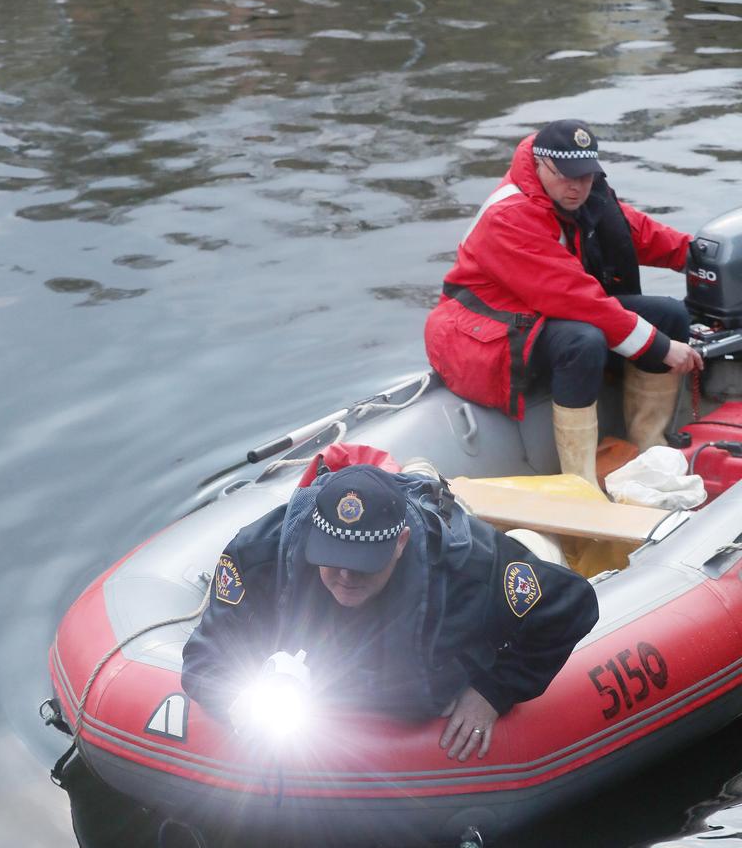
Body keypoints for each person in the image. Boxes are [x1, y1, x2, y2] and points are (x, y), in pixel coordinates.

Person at [182, 463, 598, 762]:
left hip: (429, 676)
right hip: (309, 689)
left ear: (399, 543)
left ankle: (540, 539)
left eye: (365, 563)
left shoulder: (469, 563)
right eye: (334, 559)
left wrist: (494, 691)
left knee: (537, 553)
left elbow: (571, 604)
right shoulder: (258, 555)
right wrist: (243, 702)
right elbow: (205, 658)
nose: (346, 576)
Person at [424, 118, 704, 485]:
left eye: (585, 177)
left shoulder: (582, 196)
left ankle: (648, 450)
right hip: (488, 331)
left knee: (668, 315)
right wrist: (661, 348)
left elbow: (639, 234)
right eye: (565, 176)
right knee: (582, 340)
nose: (576, 187)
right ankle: (581, 483)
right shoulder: (508, 216)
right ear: (540, 164)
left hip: (538, 313)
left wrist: (702, 255)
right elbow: (572, 296)